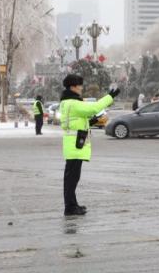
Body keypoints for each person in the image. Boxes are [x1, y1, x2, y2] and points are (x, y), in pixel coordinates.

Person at [60, 74, 120, 216]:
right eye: (79, 85)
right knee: (71, 179)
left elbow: (77, 120)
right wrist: (110, 96)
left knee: (71, 178)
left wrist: (92, 121)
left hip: (73, 144)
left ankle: (72, 205)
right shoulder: (73, 103)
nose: (81, 88)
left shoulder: (67, 102)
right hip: (75, 145)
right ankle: (70, 207)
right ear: (72, 87)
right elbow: (94, 108)